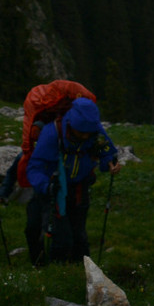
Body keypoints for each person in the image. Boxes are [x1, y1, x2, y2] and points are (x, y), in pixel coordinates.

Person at [25, 97, 121, 265]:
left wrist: (110, 163)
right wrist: (46, 187)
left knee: (79, 237)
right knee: (62, 237)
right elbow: (35, 167)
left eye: (88, 133)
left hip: (79, 190)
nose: (85, 136)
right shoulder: (52, 133)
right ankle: (56, 273)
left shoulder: (95, 132)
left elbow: (107, 152)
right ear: (71, 124)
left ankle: (80, 272)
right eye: (80, 131)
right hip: (54, 190)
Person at [0, 80, 97, 209]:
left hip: (63, 142)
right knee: (19, 163)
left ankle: (3, 194)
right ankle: (2, 194)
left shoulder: (61, 108)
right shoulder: (52, 111)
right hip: (56, 141)